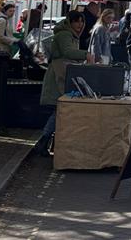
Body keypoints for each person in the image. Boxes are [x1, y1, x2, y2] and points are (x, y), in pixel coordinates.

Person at [33, 11, 88, 156]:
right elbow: (67, 52)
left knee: (60, 110)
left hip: (61, 74)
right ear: (70, 22)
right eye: (76, 21)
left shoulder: (71, 35)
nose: (80, 24)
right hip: (58, 76)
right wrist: (86, 54)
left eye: (82, 21)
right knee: (60, 110)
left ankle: (46, 143)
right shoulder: (65, 34)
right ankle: (43, 142)